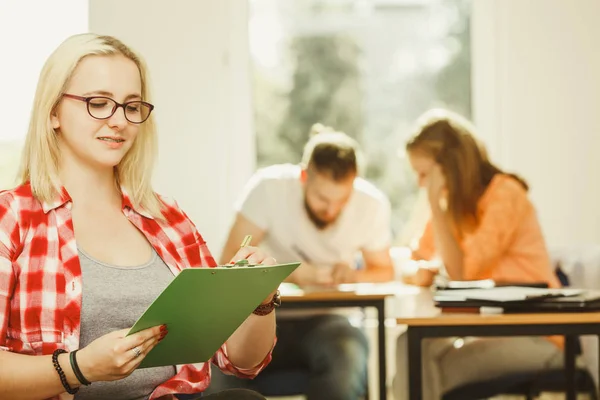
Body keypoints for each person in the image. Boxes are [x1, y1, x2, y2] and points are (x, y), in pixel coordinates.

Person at [0, 33, 280, 400]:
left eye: (132, 106)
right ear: (53, 111)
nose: (119, 121)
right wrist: (79, 368)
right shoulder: (12, 217)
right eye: (98, 103)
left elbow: (239, 361)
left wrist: (259, 299)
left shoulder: (166, 218)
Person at [206, 124, 394, 400]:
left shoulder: (371, 203)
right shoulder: (269, 188)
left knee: (347, 352)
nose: (331, 210)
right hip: (257, 320)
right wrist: (294, 275)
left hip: (327, 322)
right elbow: (229, 261)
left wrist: (352, 275)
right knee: (215, 371)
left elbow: (385, 271)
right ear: (304, 176)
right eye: (322, 198)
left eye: (341, 200)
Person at [393, 109, 563, 400]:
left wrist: (435, 205)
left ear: (448, 166)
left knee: (433, 370)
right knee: (408, 346)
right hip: (489, 328)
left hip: (537, 334)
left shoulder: (506, 195)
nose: (421, 184)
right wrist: (422, 269)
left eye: (424, 174)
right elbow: (413, 260)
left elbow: (463, 274)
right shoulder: (453, 206)